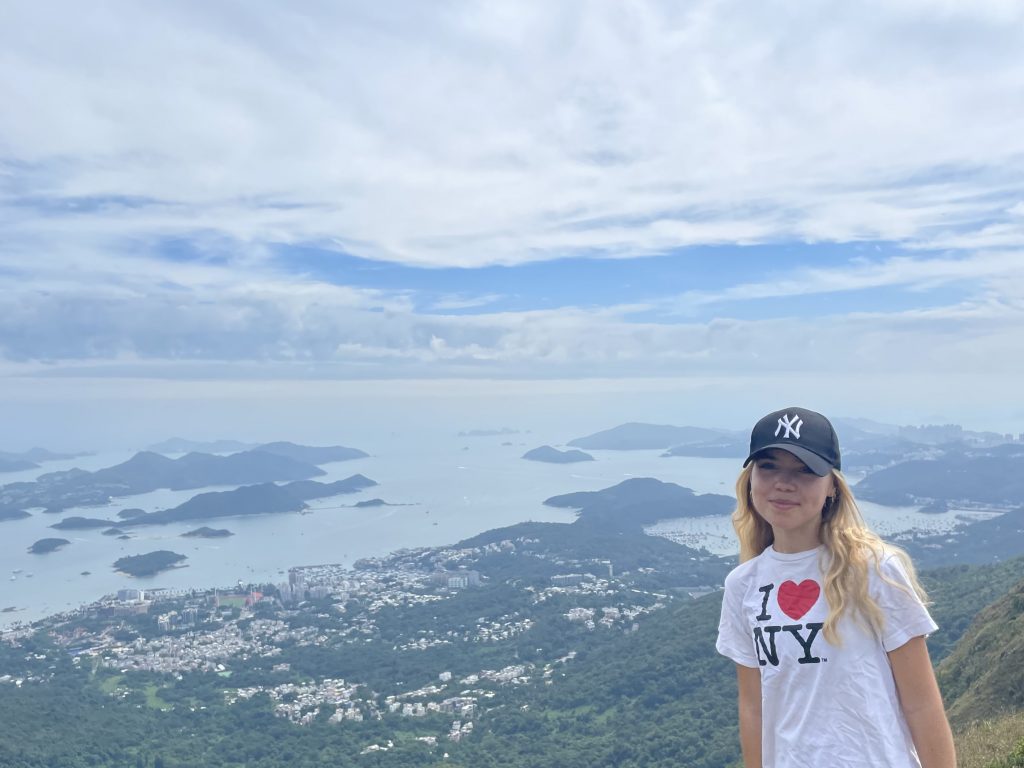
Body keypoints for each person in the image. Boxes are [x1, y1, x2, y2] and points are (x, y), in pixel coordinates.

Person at [715, 407, 956, 768]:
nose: (783, 483)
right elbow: (753, 709)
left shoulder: (874, 569)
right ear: (750, 479)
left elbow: (922, 704)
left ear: (832, 487)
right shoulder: (742, 585)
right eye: (768, 466)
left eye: (805, 470)